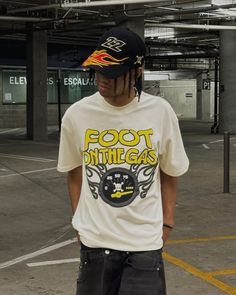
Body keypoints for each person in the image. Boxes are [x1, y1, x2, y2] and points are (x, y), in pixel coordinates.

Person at [57, 26, 189, 295]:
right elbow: (73, 170)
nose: (102, 79)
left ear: (138, 71)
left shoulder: (160, 112)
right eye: (98, 69)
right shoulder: (77, 115)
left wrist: (167, 222)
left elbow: (170, 170)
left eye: (112, 73)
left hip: (144, 245)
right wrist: (79, 222)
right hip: (95, 244)